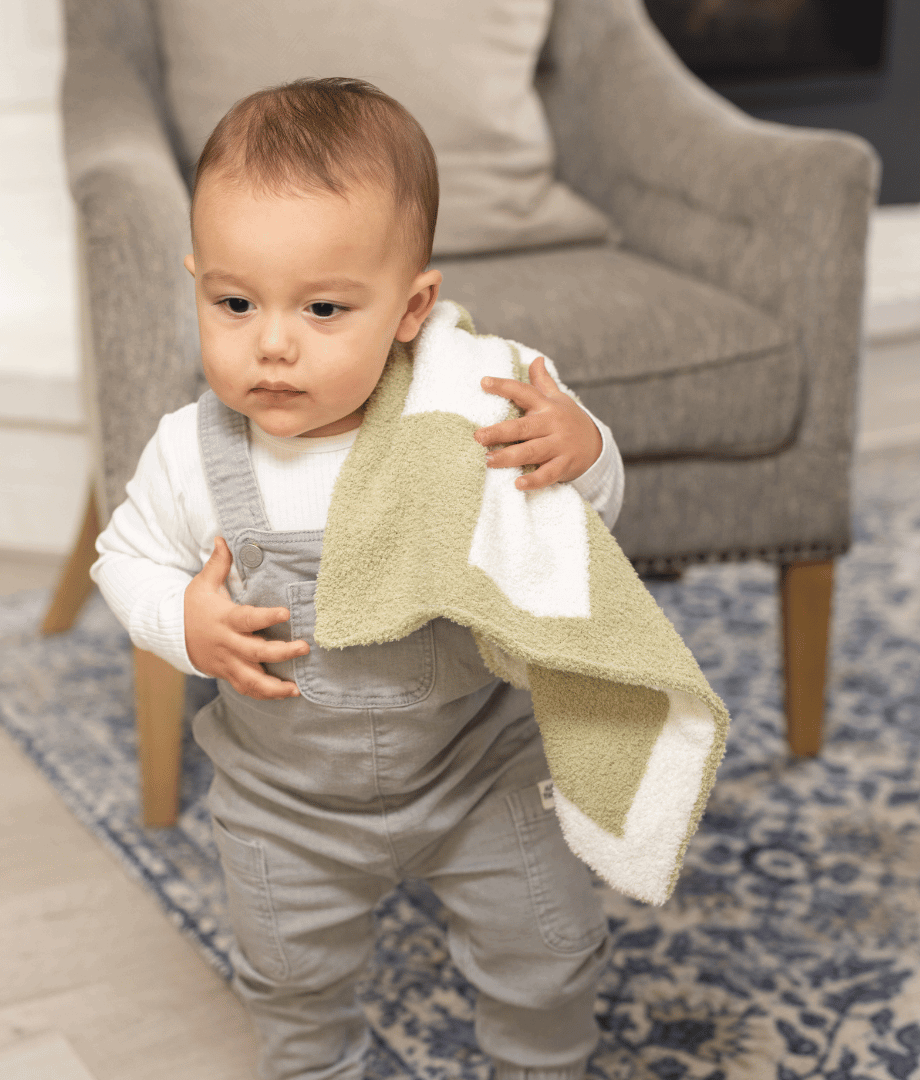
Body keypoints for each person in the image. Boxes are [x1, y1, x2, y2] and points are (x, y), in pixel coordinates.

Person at [92, 76, 624, 1080]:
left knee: (548, 953)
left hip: (476, 765)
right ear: (196, 280)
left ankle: (542, 1063)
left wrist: (584, 452)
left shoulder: (471, 404)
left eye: (325, 307)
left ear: (411, 308)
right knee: (289, 981)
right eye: (234, 302)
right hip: (284, 796)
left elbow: (585, 527)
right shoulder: (190, 452)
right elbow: (123, 558)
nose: (274, 342)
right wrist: (183, 622)